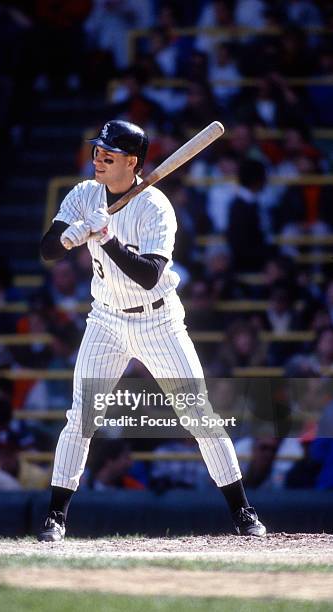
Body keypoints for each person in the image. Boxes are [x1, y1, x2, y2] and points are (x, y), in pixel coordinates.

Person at [38, 119, 266, 541]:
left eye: (108, 155)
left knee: (198, 415)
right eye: (96, 153)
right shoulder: (85, 194)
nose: (98, 160)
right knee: (81, 416)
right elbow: (47, 249)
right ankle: (56, 517)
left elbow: (149, 275)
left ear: (133, 162)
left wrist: (105, 239)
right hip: (105, 318)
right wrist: (69, 238)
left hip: (157, 318)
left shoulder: (155, 206)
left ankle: (243, 513)